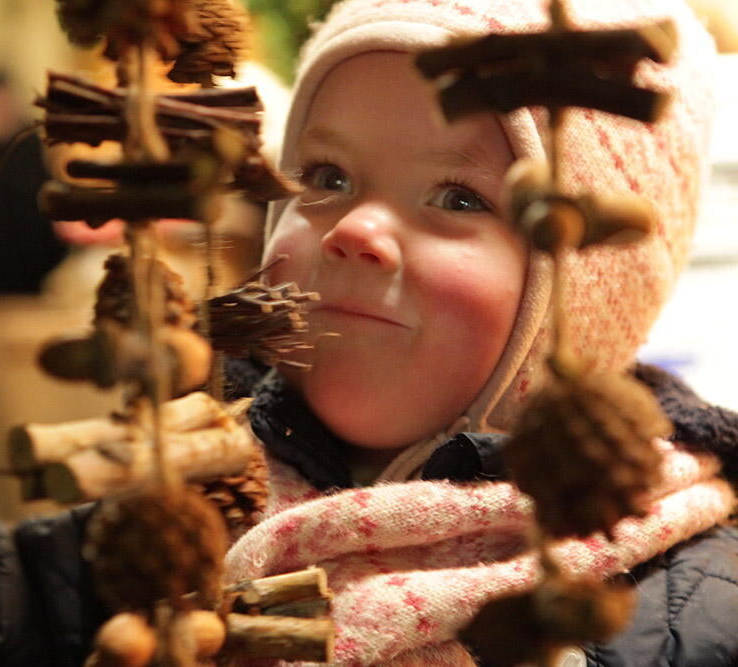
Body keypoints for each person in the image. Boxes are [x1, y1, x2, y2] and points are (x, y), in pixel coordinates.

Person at [218, 0, 738, 664]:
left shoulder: (697, 618)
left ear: (594, 286)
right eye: (328, 176)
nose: (353, 230)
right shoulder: (172, 497)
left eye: (458, 198)